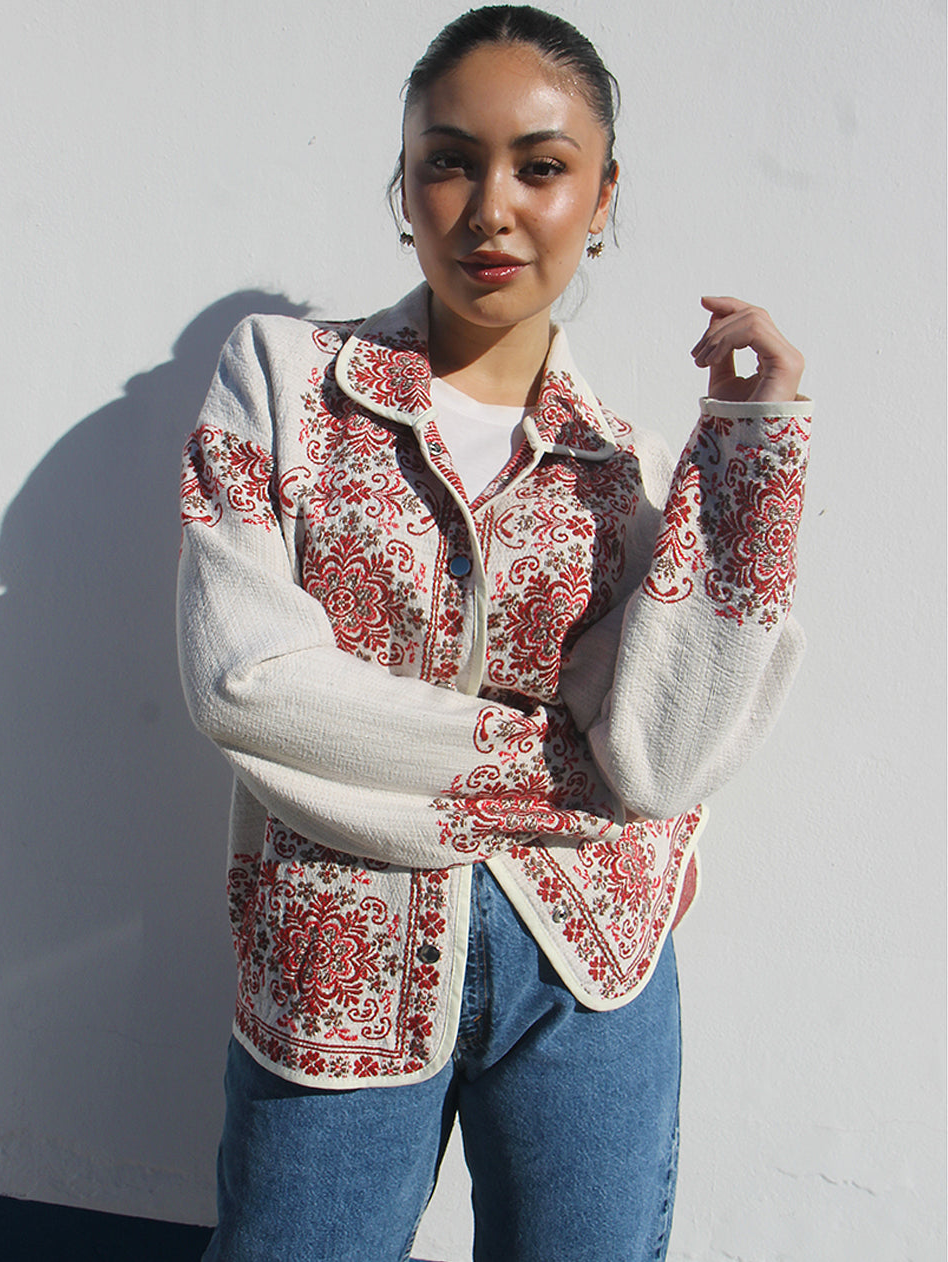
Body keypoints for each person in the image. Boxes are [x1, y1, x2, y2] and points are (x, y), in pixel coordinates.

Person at [177, 6, 810, 1260]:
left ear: (601, 191)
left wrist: (751, 449)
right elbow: (249, 682)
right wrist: (561, 772)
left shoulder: (618, 466)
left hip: (589, 968)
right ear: (402, 181)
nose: (488, 206)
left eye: (539, 164)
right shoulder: (283, 382)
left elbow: (666, 760)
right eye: (449, 158)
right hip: (341, 939)